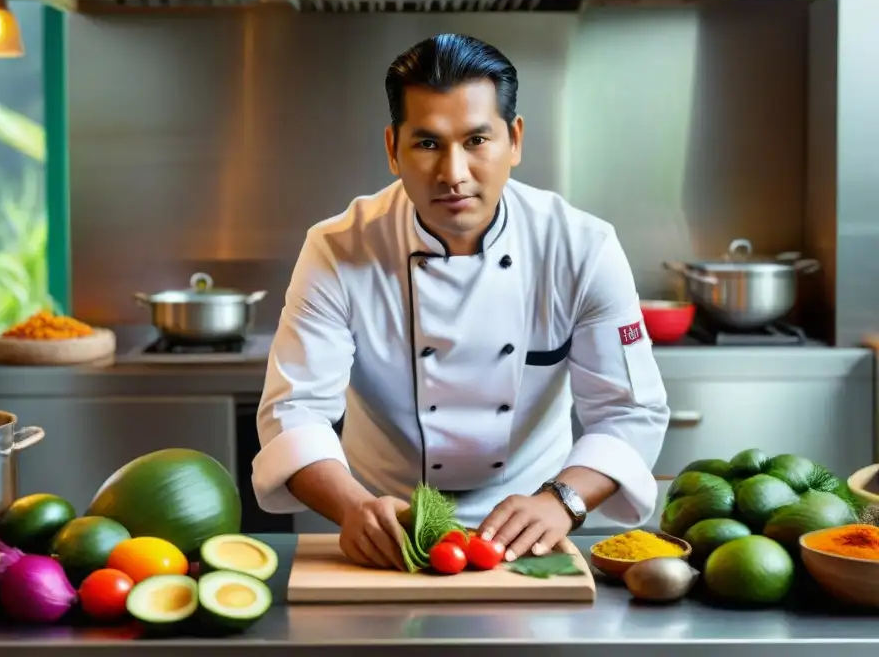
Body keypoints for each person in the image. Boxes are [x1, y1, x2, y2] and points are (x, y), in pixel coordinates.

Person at [251, 33, 669, 569]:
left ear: (514, 140)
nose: (453, 174)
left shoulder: (582, 248)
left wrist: (562, 501)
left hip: (532, 532)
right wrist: (355, 507)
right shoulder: (338, 248)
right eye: (427, 143)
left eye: (476, 140)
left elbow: (629, 410)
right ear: (392, 148)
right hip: (382, 531)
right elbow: (295, 408)